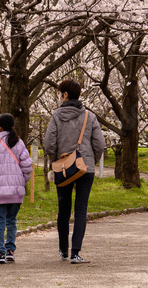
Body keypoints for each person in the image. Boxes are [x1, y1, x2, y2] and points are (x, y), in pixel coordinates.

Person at [45, 80, 105, 265]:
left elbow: (49, 144)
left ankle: (63, 250)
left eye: (60, 93)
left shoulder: (56, 116)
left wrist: (57, 160)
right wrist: (89, 160)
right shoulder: (90, 116)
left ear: (65, 95)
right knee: (81, 210)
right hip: (84, 168)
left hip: (63, 168)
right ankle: (75, 253)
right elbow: (100, 144)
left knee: (64, 209)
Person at [0, 113, 33, 264]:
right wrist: (21, 182)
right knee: (11, 221)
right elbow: (27, 166)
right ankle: (10, 249)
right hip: (16, 192)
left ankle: (0, 253)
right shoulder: (19, 143)